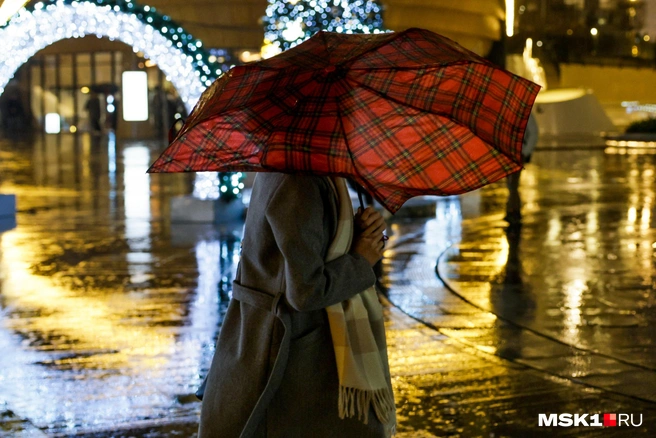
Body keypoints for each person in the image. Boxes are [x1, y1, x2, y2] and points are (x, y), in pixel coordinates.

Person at [198, 173, 396, 437]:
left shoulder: (295, 173)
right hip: (288, 354)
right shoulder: (298, 182)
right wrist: (360, 259)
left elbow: (306, 250)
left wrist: (354, 235)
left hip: (272, 341)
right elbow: (306, 290)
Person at [505, 113, 539, 224]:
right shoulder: (509, 112)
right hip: (509, 153)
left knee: (513, 184)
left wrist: (525, 152)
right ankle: (513, 210)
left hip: (518, 153)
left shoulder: (525, 113)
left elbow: (533, 133)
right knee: (511, 184)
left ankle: (513, 211)